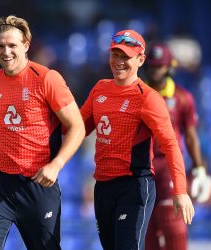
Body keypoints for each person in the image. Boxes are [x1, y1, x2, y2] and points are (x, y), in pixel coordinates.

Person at [0, 15, 85, 250]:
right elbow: (3, 133)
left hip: (37, 183)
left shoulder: (47, 79)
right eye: (0, 46)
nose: (6, 51)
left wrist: (56, 164)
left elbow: (77, 127)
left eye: (12, 45)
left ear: (26, 45)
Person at [79, 29, 195, 250]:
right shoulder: (99, 89)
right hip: (103, 187)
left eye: (126, 56)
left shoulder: (148, 98)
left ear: (141, 60)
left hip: (134, 185)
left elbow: (171, 146)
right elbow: (77, 129)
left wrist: (180, 191)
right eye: (115, 55)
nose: (119, 61)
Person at [143, 42, 211, 250]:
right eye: (153, 66)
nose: (156, 70)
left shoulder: (182, 98)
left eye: (160, 66)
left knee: (174, 227)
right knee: (148, 230)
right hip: (143, 167)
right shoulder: (139, 94)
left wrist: (200, 169)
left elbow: (191, 136)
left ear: (170, 66)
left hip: (169, 167)